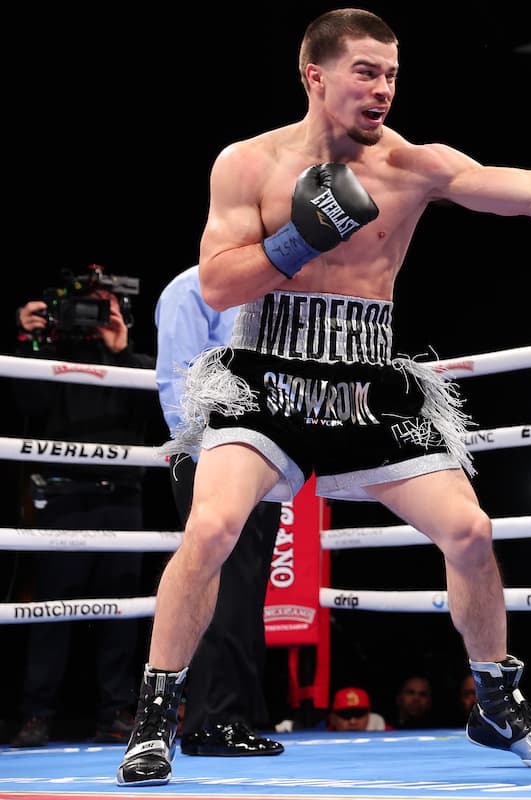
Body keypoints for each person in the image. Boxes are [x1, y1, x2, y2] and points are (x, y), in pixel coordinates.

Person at [116, 7, 531, 787]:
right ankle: (156, 719)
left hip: (368, 383)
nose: (383, 89)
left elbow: (528, 191)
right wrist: (300, 236)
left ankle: (497, 700)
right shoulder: (247, 164)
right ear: (315, 75)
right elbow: (219, 280)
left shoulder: (411, 164)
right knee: (213, 526)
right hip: (266, 375)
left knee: (469, 530)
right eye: (366, 71)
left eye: (393, 74)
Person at [9, 266, 156, 748]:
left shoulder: (131, 359)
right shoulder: (50, 353)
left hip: (122, 496)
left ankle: (116, 712)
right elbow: (27, 398)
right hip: (64, 494)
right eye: (86, 305)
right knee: (52, 612)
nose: (92, 315)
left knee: (120, 615)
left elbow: (160, 409)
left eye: (104, 305)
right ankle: (36, 714)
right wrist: (35, 339)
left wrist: (121, 350)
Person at [154, 265, 285, 758]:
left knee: (247, 588)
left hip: (265, 455)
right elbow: (178, 380)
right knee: (219, 585)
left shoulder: (270, 289)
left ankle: (236, 716)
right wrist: (206, 452)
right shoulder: (189, 289)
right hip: (208, 454)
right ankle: (212, 722)